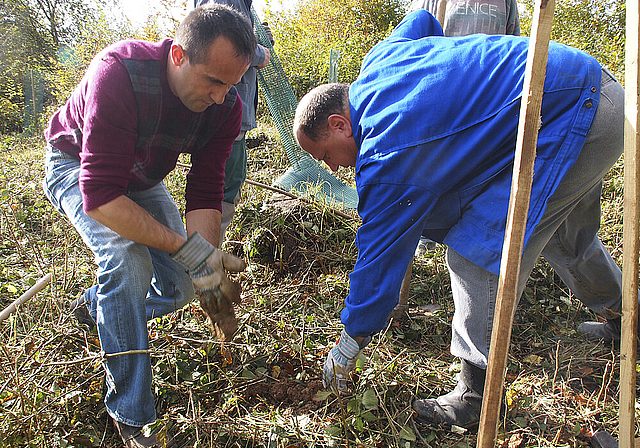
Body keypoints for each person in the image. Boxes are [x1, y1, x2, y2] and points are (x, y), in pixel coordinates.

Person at [293, 10, 627, 430]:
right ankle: (624, 320)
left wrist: (350, 341)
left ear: (341, 125)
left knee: (478, 248)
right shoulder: (380, 61)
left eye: (326, 157)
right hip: (588, 85)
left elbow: (378, 255)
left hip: (571, 113)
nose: (335, 170)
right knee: (566, 237)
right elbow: (421, 22)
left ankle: (474, 397)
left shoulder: (385, 150)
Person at [42, 4, 253, 446]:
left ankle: (101, 308)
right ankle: (132, 417)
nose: (221, 96)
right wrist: (187, 248)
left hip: (139, 177)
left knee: (178, 285)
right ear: (178, 55)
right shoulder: (118, 72)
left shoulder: (225, 106)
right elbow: (100, 198)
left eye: (231, 84)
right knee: (127, 260)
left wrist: (207, 270)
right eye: (214, 80)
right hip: (77, 165)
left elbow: (204, 190)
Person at [407, 0, 519, 256]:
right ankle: (426, 234)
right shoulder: (432, 2)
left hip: (489, 95)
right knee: (435, 165)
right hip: (443, 93)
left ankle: (477, 237)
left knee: (483, 168)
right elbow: (414, 51)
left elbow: (512, 45)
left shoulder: (504, 2)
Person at [194, 0, 271, 245]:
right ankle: (203, 260)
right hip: (226, 117)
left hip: (234, 115)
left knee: (225, 181)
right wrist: (259, 52)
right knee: (222, 185)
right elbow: (222, 42)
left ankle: (204, 260)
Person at [408, 0, 520, 36]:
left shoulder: (507, 2)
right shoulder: (430, 2)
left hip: (490, 85)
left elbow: (514, 49)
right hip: (445, 83)